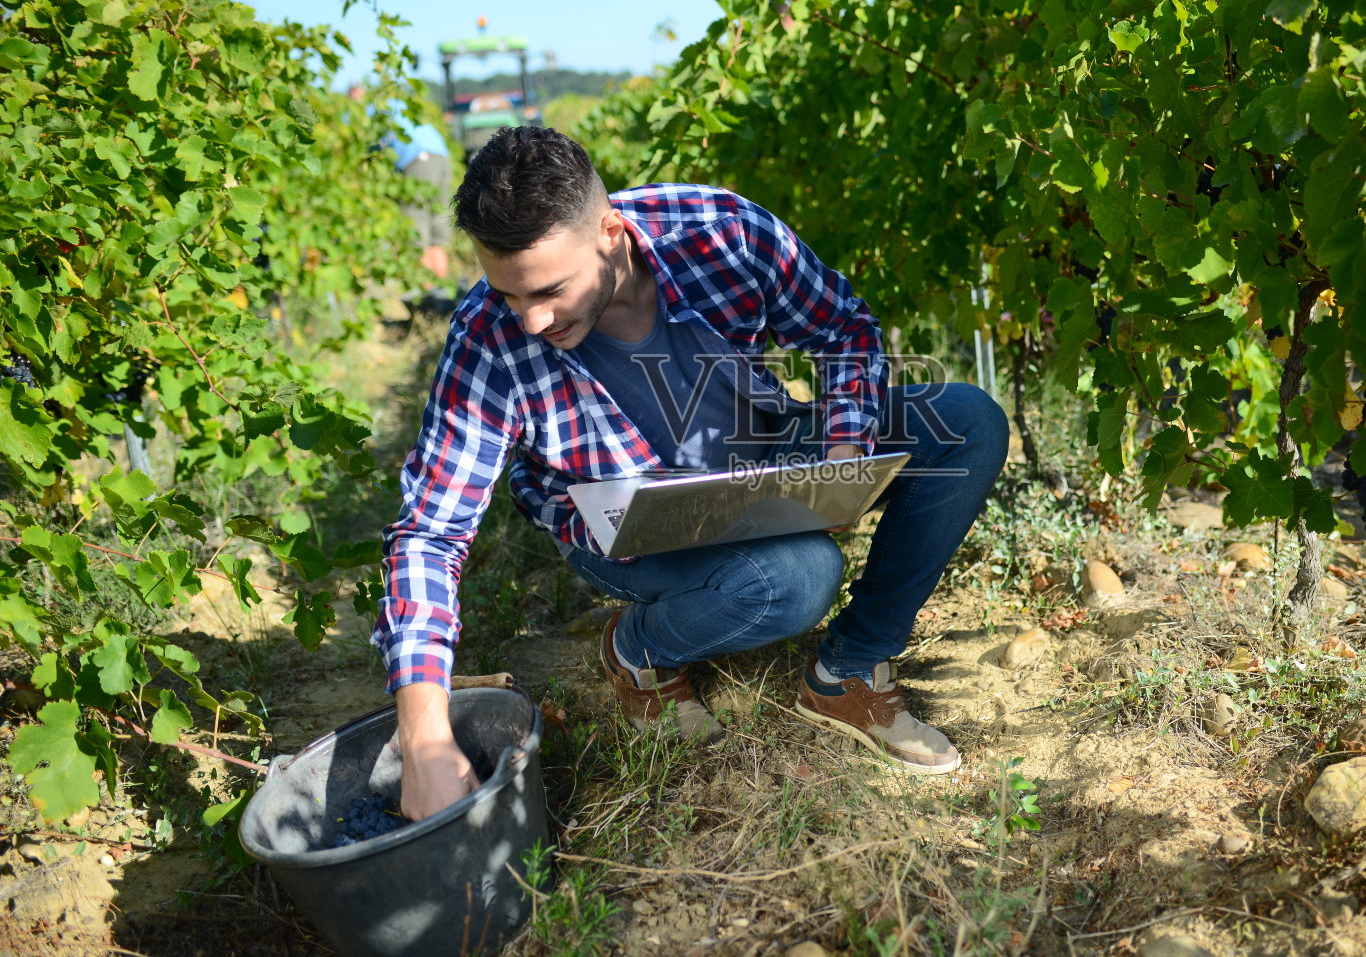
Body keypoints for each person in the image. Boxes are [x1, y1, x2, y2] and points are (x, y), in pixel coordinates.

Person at [376, 127, 1008, 822]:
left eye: (550, 291)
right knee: (800, 577)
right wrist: (425, 739)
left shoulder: (721, 234)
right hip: (627, 524)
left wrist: (842, 450)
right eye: (509, 294)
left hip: (760, 454)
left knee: (969, 422)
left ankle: (851, 668)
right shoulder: (486, 339)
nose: (531, 321)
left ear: (610, 234)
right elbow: (430, 534)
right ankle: (635, 647)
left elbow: (841, 329)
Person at [349, 84, 453, 279]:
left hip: (417, 161)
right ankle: (441, 291)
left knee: (416, 233)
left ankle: (427, 290)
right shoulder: (395, 103)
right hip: (441, 157)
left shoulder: (369, 112)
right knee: (436, 235)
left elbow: (363, 148)